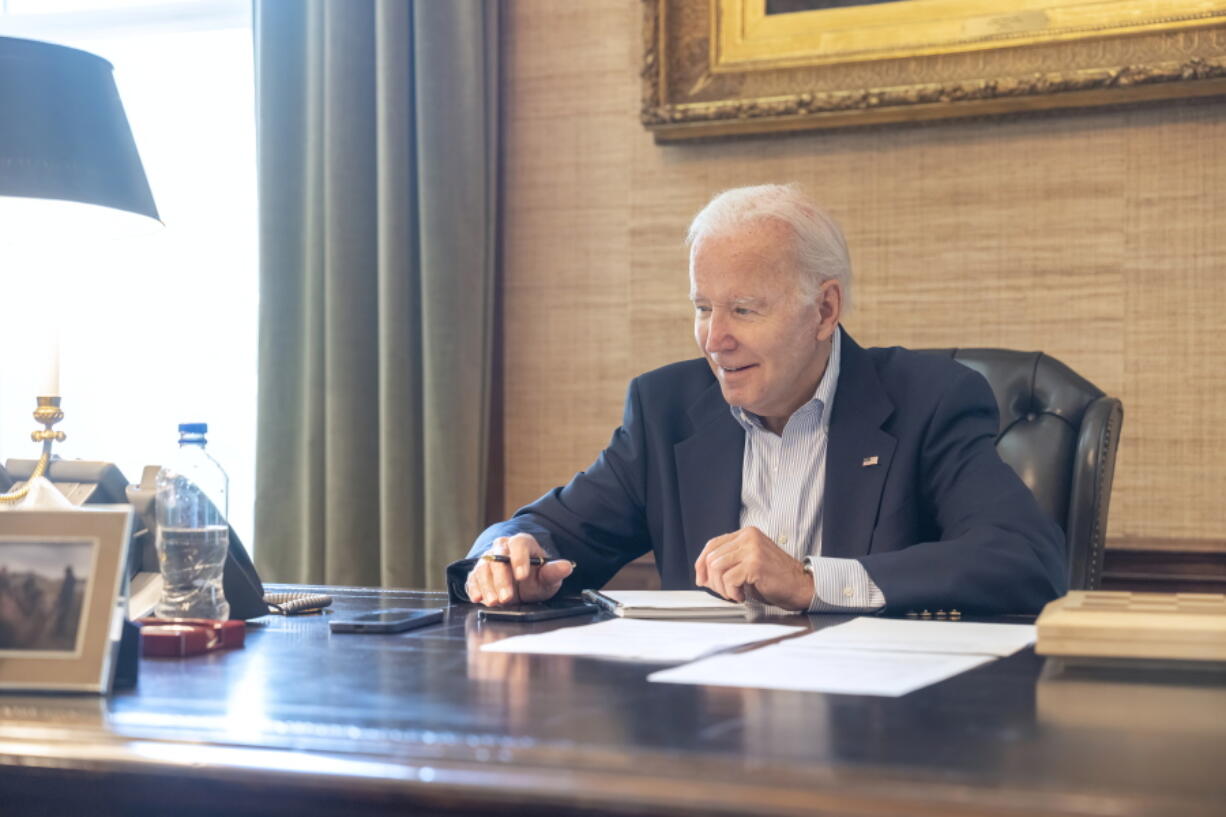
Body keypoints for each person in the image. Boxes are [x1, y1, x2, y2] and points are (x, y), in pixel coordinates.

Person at [448, 184, 1066, 615]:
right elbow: (546, 527)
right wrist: (508, 558)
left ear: (824, 310)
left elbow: (1024, 560)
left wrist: (808, 582)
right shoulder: (667, 408)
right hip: (707, 734)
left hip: (879, 738)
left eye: (743, 310)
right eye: (702, 308)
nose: (715, 340)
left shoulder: (929, 400)